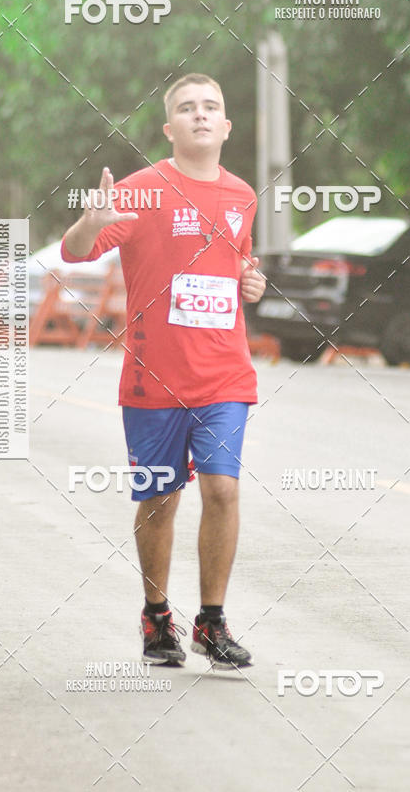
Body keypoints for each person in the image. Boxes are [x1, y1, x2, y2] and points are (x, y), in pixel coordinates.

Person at [61, 74, 266, 669]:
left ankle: (212, 621)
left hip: (225, 375)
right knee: (160, 498)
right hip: (155, 379)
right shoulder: (142, 190)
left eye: (211, 107)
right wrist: (89, 222)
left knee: (222, 488)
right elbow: (76, 251)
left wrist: (250, 281)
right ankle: (156, 617)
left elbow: (238, 265)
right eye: (186, 108)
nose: (200, 116)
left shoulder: (242, 196)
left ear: (226, 126)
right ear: (169, 128)